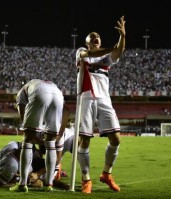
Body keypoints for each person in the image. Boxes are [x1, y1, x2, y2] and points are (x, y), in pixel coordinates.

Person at [75, 16, 126, 193]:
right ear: (87, 42)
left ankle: (107, 174)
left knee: (116, 138)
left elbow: (118, 52)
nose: (95, 37)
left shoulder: (106, 56)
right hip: (87, 97)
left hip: (104, 99)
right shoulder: (82, 51)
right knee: (85, 139)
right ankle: (86, 179)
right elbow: (89, 54)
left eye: (98, 36)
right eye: (92, 36)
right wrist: (111, 47)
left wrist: (122, 37)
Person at [10, 79, 64, 193]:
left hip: (40, 93)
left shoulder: (20, 94)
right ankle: (49, 184)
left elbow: (23, 117)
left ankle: (22, 184)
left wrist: (31, 133)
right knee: (51, 142)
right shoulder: (33, 83)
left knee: (27, 139)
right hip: (58, 95)